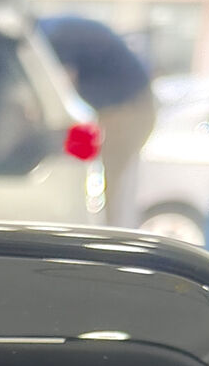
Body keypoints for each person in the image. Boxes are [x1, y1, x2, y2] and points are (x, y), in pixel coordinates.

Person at [38, 14, 155, 226]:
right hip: (114, 107)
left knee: (103, 185)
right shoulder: (55, 28)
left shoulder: (56, 36)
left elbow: (63, 86)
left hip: (128, 109)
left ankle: (105, 239)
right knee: (89, 177)